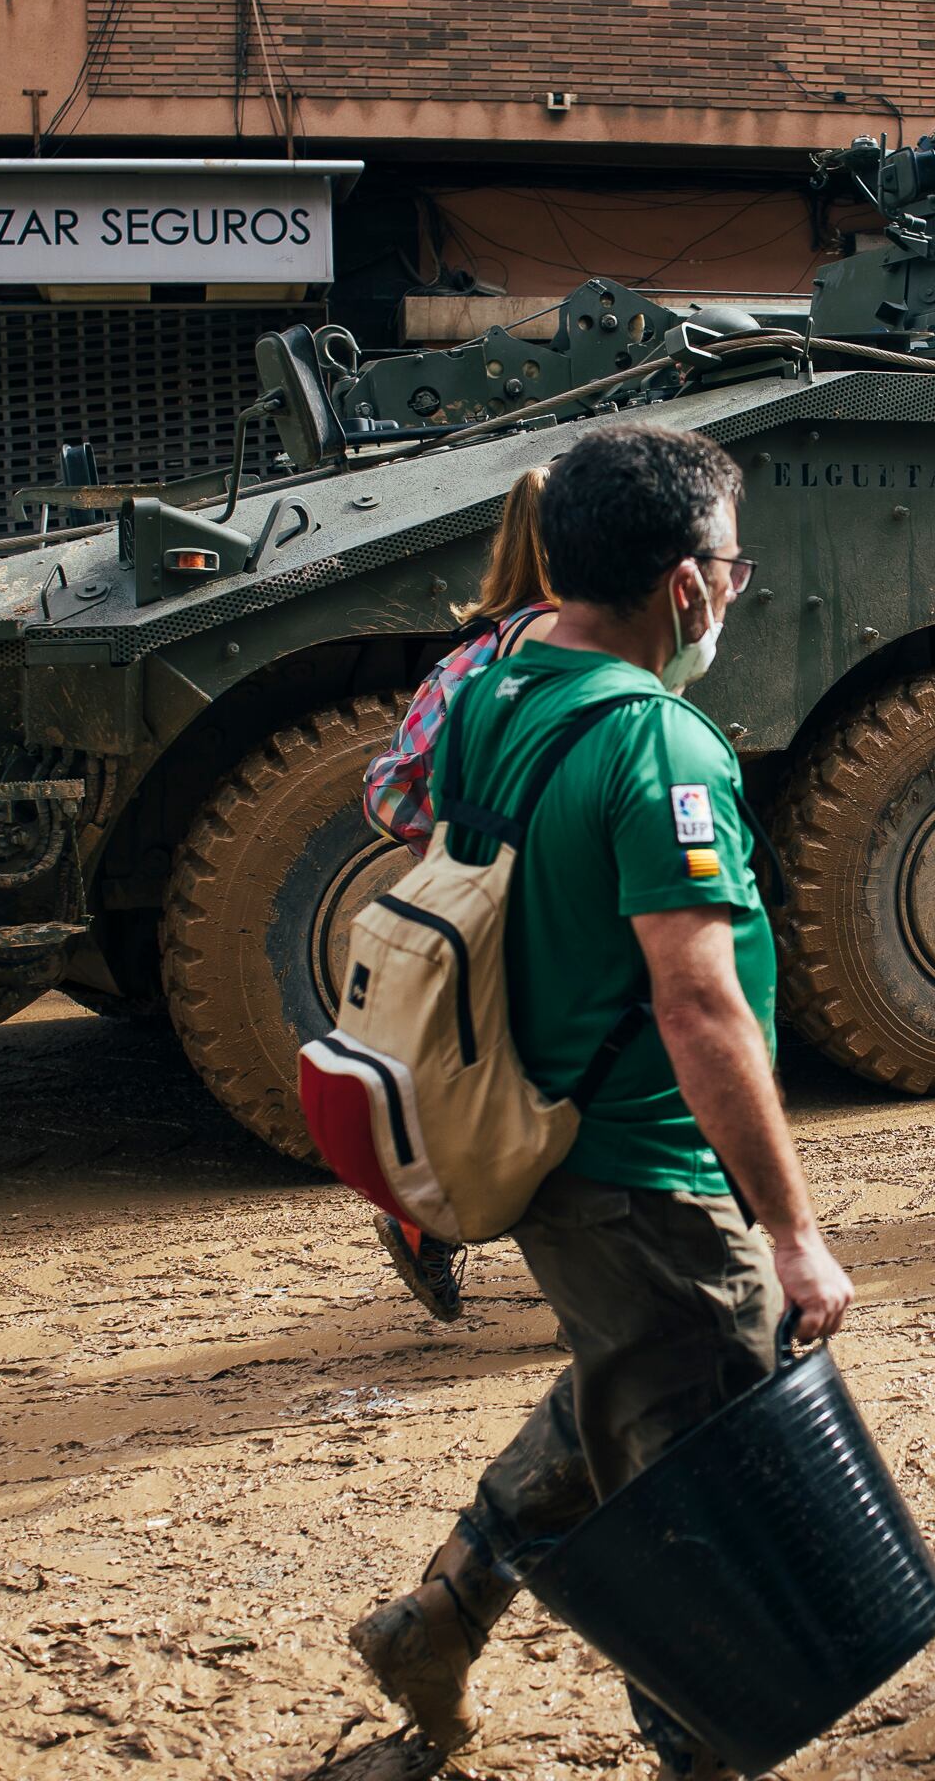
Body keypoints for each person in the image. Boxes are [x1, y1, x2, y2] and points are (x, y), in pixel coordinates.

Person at [346, 424, 852, 1780]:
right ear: (687, 585)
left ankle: (440, 1616)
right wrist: (793, 1232)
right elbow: (699, 1008)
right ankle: (701, 1747)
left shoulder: (492, 691)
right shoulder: (661, 746)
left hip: (553, 1150)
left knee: (635, 1387)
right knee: (709, 1501)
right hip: (645, 1171)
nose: (739, 595)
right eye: (736, 570)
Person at [360, 468, 564, 1324]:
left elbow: (390, 789)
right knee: (566, 1089)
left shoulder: (473, 647)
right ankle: (598, 1301)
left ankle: (422, 1215)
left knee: (509, 1081)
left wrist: (458, 841)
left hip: (467, 897)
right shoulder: (560, 641)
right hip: (542, 902)